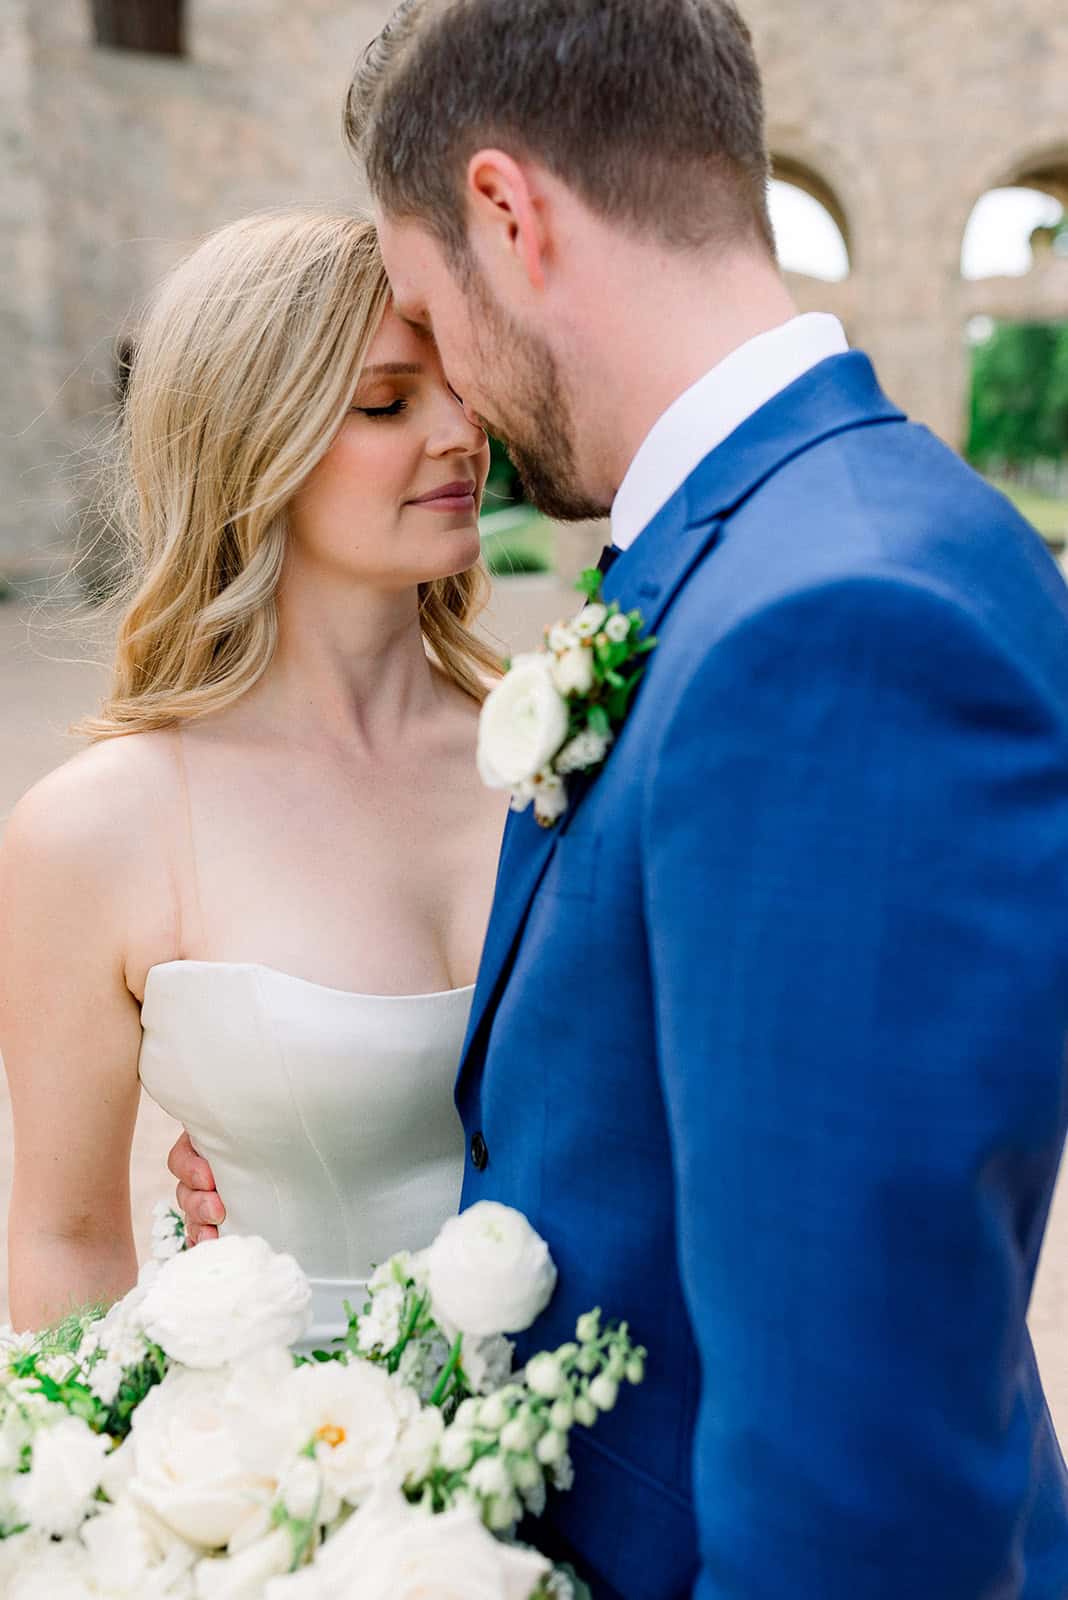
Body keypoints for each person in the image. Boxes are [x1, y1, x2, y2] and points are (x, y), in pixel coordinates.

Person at [180, 3, 1067, 1595]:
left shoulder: (834, 624)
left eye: (423, 306)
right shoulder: (787, 540)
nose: (447, 382)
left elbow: (859, 1495)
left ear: (508, 218)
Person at [0, 207, 507, 1345]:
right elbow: (65, 1242)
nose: (462, 435)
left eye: (462, 388)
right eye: (387, 403)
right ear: (250, 443)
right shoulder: (97, 830)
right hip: (284, 1479)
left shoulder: (557, 751)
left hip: (609, 1463)